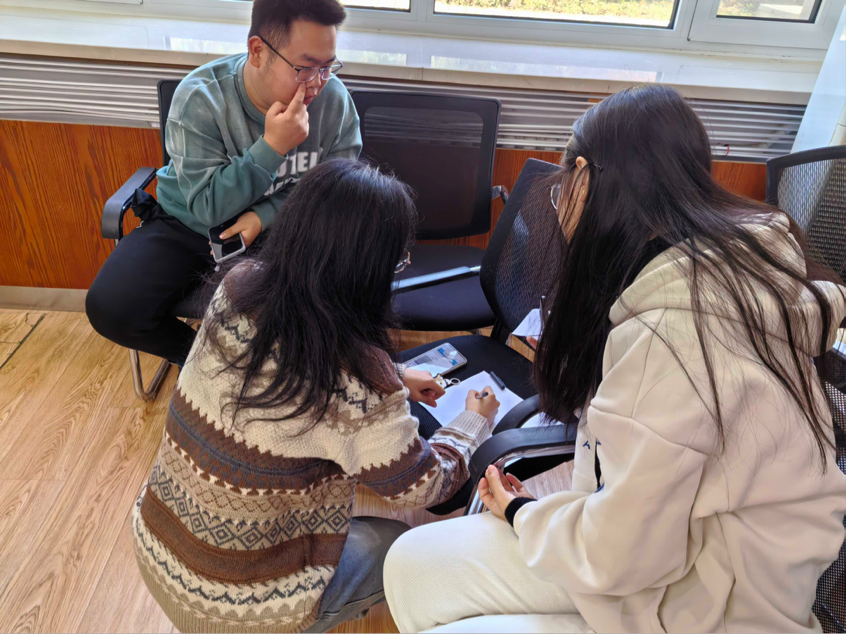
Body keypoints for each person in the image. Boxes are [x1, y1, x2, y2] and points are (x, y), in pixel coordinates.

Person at [384, 84, 846, 633]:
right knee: (413, 565)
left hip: (711, 606)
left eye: (563, 185)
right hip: (678, 553)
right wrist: (551, 514)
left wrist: (523, 513)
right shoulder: (723, 270)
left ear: (583, 178)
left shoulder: (671, 337)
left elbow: (621, 557)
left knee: (433, 596)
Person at [130, 159, 501, 634]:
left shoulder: (237, 288)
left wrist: (396, 374)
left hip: (157, 548)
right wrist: (474, 420)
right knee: (400, 544)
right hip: (235, 616)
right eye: (397, 262)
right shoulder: (360, 382)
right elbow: (428, 487)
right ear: (369, 272)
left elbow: (293, 368)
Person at [86, 0, 361, 367]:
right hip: (189, 224)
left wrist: (265, 215)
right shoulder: (201, 98)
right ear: (258, 51)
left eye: (327, 67)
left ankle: (267, 365)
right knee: (112, 308)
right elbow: (207, 208)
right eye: (305, 68)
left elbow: (337, 189)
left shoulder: (334, 101)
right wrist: (272, 147)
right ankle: (213, 364)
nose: (317, 83)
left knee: (324, 308)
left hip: (282, 229)